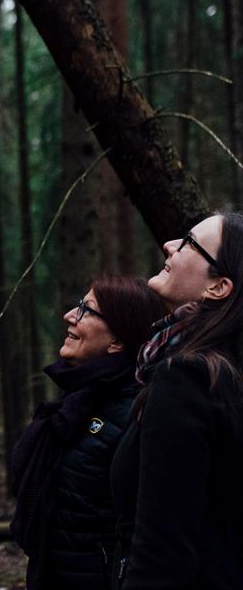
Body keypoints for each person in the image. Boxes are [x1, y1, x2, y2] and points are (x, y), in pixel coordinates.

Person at [110, 212, 243, 590]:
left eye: (188, 242)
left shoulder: (188, 379)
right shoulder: (227, 374)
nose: (168, 245)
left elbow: (161, 555)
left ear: (218, 287)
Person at [9, 276, 165, 590]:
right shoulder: (79, 402)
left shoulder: (137, 412)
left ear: (117, 342)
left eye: (86, 310)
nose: (69, 316)